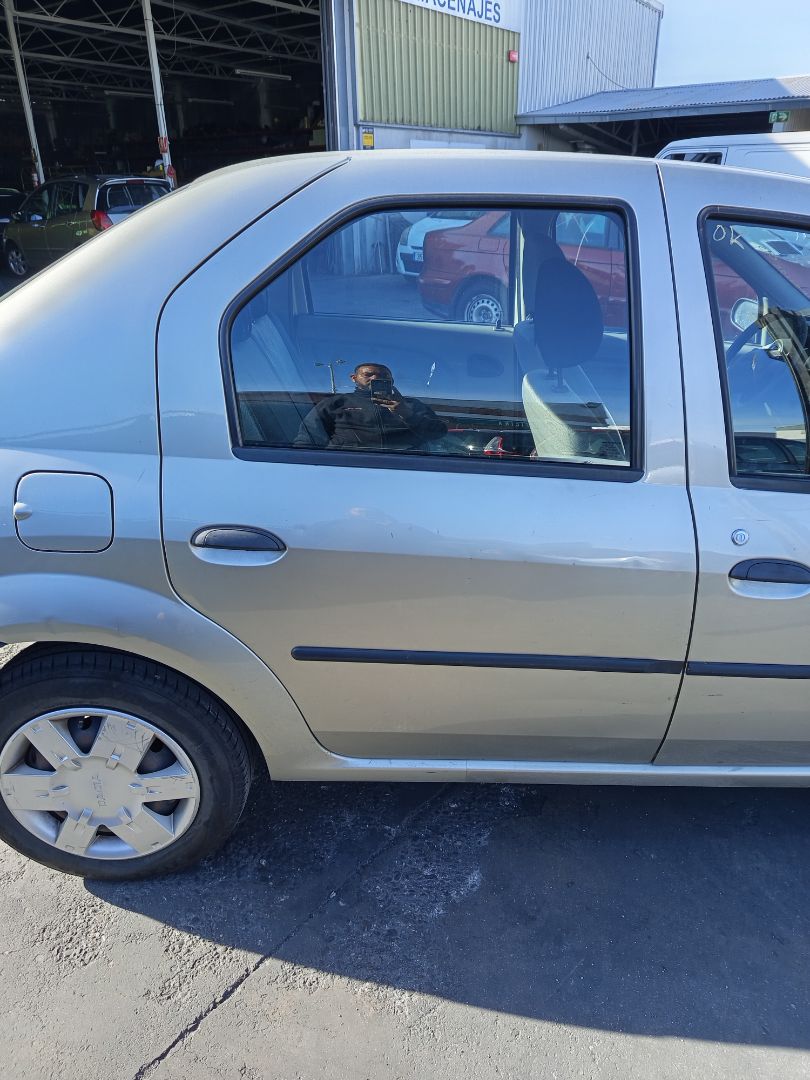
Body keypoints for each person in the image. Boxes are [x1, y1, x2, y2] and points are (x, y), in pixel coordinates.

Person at [293, 363, 446, 451]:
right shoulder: (336, 403)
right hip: (345, 465)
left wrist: (407, 414)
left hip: (406, 466)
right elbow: (307, 439)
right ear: (354, 378)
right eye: (368, 374)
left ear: (392, 381)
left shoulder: (412, 404)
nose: (375, 378)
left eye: (384, 376)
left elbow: (438, 433)